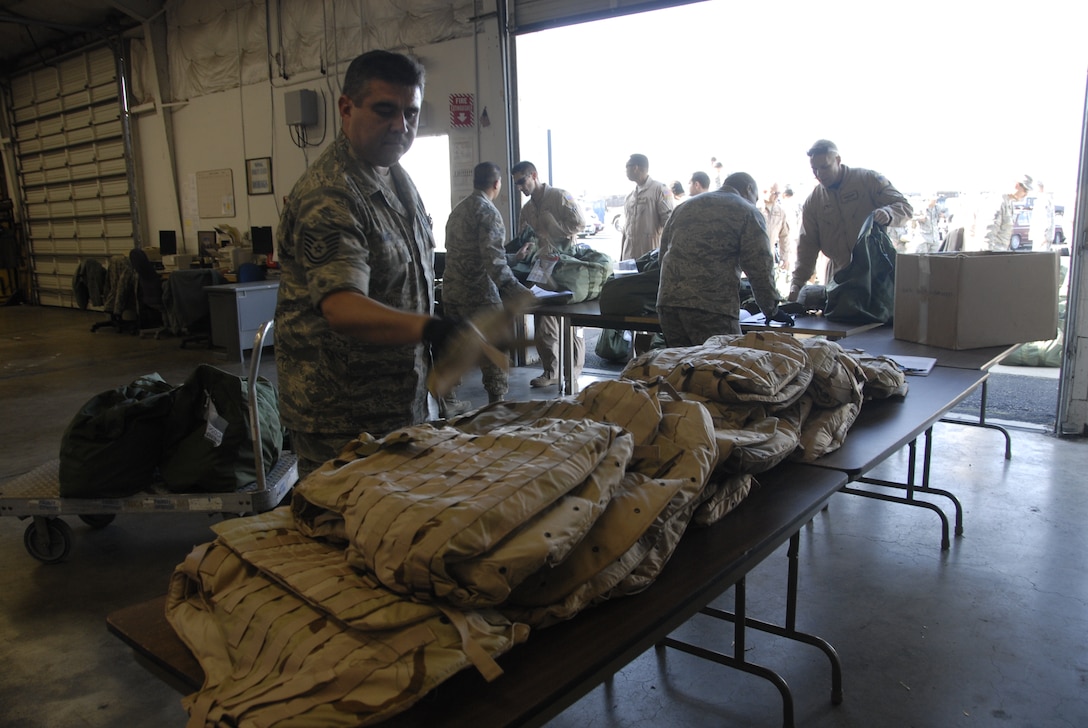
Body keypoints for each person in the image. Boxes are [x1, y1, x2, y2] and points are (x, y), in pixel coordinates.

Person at [274, 50, 464, 477]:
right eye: (384, 111)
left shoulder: (396, 177)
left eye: (410, 113)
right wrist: (430, 327)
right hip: (342, 416)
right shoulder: (331, 193)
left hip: (400, 398)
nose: (401, 126)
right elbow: (342, 307)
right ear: (346, 108)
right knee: (342, 533)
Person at [657, 171, 793, 346]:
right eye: (756, 197)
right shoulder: (746, 211)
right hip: (712, 308)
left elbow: (663, 256)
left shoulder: (684, 207)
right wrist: (771, 309)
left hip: (669, 305)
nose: (755, 202)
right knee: (723, 368)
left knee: (681, 368)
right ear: (749, 189)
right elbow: (760, 267)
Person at [442, 162, 531, 405]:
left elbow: (469, 252)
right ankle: (496, 402)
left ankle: (448, 403)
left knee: (456, 347)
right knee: (493, 349)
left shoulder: (458, 211)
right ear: (496, 184)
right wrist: (519, 292)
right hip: (479, 295)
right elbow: (493, 263)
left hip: (451, 293)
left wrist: (514, 258)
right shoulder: (488, 212)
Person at [789, 139, 913, 302]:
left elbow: (904, 207)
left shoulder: (868, 180)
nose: (819, 174)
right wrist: (796, 285)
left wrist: (889, 213)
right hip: (839, 278)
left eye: (825, 167)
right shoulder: (814, 202)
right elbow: (807, 247)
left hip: (875, 276)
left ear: (838, 160)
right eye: (814, 169)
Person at [509, 159, 586, 388]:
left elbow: (579, 223)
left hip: (565, 265)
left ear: (534, 175)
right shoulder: (526, 209)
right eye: (517, 184)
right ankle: (550, 371)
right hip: (541, 267)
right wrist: (526, 248)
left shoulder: (560, 196)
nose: (520, 187)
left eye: (522, 181)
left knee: (570, 320)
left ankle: (572, 371)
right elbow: (526, 237)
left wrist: (557, 233)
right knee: (543, 319)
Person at [620, 153, 672, 261]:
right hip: (629, 258)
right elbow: (626, 231)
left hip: (650, 258)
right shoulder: (630, 196)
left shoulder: (661, 189)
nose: (625, 171)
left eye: (627, 167)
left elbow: (669, 225)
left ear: (636, 168)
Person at [970, 174, 1032, 251]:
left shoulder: (1008, 203)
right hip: (992, 255)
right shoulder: (997, 202)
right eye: (1025, 190)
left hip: (1000, 254)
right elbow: (988, 236)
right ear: (1017, 185)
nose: (1026, 194)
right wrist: (987, 258)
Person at [757, 182, 791, 271]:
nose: (777, 196)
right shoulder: (755, 209)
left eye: (779, 193)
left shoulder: (780, 212)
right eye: (775, 193)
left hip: (769, 259)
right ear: (764, 192)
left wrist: (784, 257)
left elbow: (784, 236)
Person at [1029, 179, 1055, 251]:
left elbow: (1046, 219)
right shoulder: (1043, 199)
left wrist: (1044, 235)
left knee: (1039, 259)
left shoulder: (1043, 200)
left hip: (1041, 237)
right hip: (1041, 236)